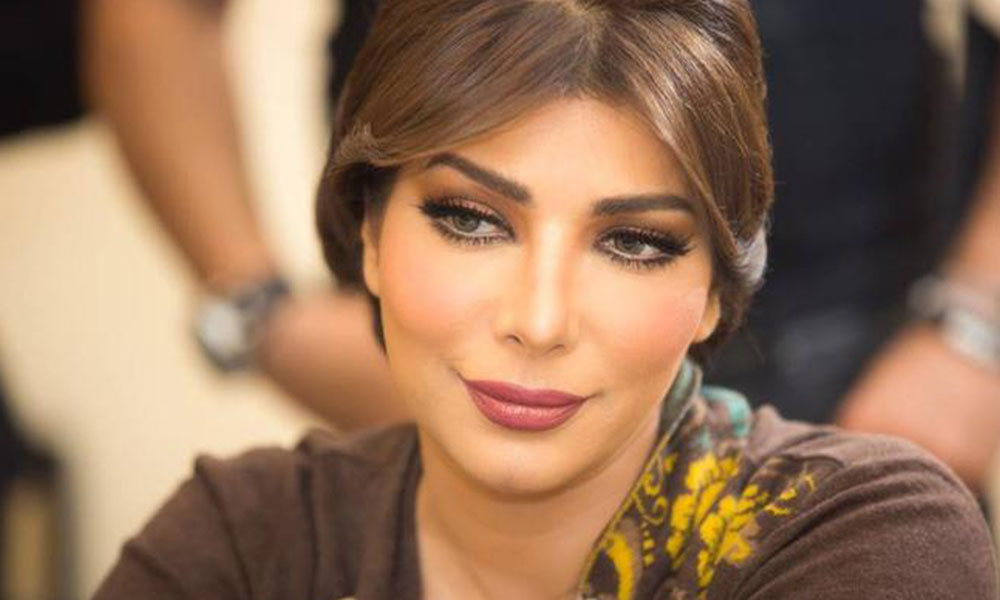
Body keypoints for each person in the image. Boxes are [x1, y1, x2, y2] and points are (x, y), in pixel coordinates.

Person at [93, 1, 997, 598]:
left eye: (634, 242)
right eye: (471, 221)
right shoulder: (244, 542)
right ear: (369, 236)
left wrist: (975, 329)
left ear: (716, 292)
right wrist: (260, 310)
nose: (538, 319)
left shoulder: (866, 544)